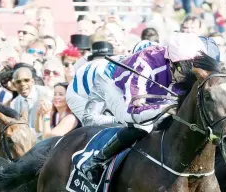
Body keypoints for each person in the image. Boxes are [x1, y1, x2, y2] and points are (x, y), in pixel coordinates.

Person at [79, 33, 208, 181]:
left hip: (153, 93)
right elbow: (134, 106)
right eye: (183, 70)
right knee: (143, 124)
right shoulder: (146, 62)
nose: (186, 77)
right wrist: (164, 108)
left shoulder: (192, 67)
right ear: (171, 62)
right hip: (115, 88)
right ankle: (96, 161)